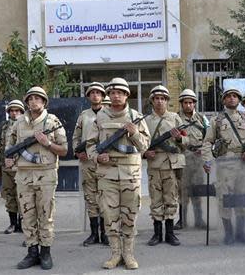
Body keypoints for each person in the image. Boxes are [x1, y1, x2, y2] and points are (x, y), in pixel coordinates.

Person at [86, 78, 150, 269]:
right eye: (113, 93)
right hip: (107, 174)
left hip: (131, 173)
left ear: (126, 95)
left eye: (120, 93)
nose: (116, 96)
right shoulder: (99, 117)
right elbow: (90, 145)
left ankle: (129, 254)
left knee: (130, 215)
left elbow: (145, 146)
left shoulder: (135, 116)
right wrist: (97, 157)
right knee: (110, 214)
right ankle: (115, 254)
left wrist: (135, 133)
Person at [5, 87, 67, 270]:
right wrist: (9, 159)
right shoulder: (18, 123)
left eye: (38, 98)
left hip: (46, 174)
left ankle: (45, 252)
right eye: (30, 98)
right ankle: (32, 252)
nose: (34, 101)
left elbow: (64, 150)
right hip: (23, 175)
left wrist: (47, 143)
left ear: (44, 101)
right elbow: (10, 148)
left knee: (45, 215)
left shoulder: (52, 121)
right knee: (27, 215)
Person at [202, 88, 245, 244]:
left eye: (235, 96)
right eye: (228, 96)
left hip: (244, 163)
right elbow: (207, 142)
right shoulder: (217, 120)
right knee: (225, 199)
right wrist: (207, 160)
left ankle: (241, 232)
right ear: (224, 100)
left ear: (238, 100)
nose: (231, 98)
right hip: (225, 165)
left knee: (243, 197)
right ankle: (228, 233)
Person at [144, 85, 187, 246]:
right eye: (156, 99)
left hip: (170, 164)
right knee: (155, 199)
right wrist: (144, 153)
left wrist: (178, 139)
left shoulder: (175, 118)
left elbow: (186, 141)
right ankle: (157, 233)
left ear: (167, 101)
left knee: (171, 198)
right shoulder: (146, 121)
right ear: (152, 101)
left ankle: (170, 233)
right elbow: (139, 143)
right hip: (154, 164)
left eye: (163, 99)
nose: (160, 101)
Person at [72, 82, 108, 246]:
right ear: (88, 97)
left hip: (104, 162)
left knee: (106, 196)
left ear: (102, 96)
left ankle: (105, 233)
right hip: (87, 162)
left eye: (98, 93)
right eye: (92, 93)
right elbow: (76, 137)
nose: (95, 95)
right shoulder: (83, 116)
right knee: (90, 197)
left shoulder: (108, 113)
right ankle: (94, 234)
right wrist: (77, 151)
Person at [175, 89, 208, 229]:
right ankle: (182, 220)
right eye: (185, 102)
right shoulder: (175, 118)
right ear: (181, 103)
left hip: (198, 157)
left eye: (191, 102)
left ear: (194, 104)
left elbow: (209, 135)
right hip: (183, 156)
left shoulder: (201, 118)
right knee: (183, 189)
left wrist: (205, 149)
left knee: (197, 189)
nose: (188, 105)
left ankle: (199, 219)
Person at [0, 100, 25, 234]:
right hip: (7, 166)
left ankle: (23, 223)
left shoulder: (25, 125)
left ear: (21, 112)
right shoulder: (3, 126)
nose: (14, 113)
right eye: (12, 111)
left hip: (21, 166)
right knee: (9, 194)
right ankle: (13, 223)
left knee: (22, 194)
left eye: (17, 111)